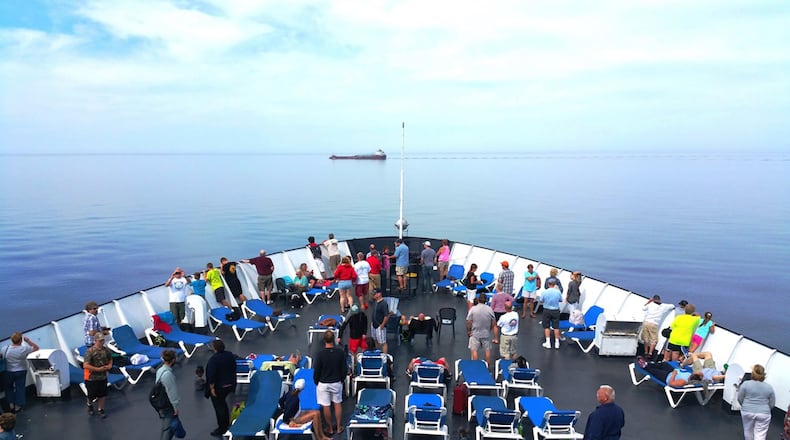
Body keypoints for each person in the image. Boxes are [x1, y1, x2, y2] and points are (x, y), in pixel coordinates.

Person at [313, 330, 347, 436]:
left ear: (324, 340)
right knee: (337, 404)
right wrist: (341, 380)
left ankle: (330, 428)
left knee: (326, 405)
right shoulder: (340, 353)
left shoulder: (320, 354)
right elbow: (344, 369)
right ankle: (339, 426)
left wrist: (316, 381)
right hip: (336, 382)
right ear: (333, 339)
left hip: (323, 383)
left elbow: (317, 370)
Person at [206, 339, 237, 437]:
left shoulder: (213, 360)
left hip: (219, 387)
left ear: (214, 348)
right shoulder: (229, 355)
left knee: (219, 407)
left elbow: (211, 375)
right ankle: (227, 424)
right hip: (230, 385)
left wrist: (211, 388)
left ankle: (222, 428)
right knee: (223, 404)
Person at [2, 332, 39, 413]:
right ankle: (18, 406)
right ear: (21, 340)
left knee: (9, 388)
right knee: (20, 388)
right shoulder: (24, 349)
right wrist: (28, 341)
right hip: (21, 371)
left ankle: (11, 404)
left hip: (9, 371)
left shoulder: (5, 348)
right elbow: (36, 347)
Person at [738, 364, 775, 440]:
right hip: (764, 413)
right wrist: (766, 409)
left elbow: (739, 398)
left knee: (748, 430)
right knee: (760, 434)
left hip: (747, 411)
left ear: (752, 374)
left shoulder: (745, 384)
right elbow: (772, 403)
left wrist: (745, 406)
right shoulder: (769, 387)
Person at [84, 332, 112, 418]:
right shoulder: (90, 351)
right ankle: (89, 404)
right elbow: (86, 365)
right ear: (95, 341)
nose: (102, 342)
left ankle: (101, 409)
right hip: (91, 377)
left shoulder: (106, 350)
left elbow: (110, 359)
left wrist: (109, 366)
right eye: (100, 341)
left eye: (103, 340)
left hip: (102, 376)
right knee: (91, 395)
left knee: (102, 394)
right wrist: (97, 369)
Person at [156, 349, 180, 440]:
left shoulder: (160, 370)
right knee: (169, 428)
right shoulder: (168, 375)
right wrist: (175, 408)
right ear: (173, 360)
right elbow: (172, 392)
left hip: (161, 404)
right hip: (168, 406)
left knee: (165, 425)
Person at [466, 293, 496, 366]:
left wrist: (469, 330)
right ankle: (487, 366)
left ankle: (476, 366)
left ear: (479, 299)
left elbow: (468, 321)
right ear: (486, 300)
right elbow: (494, 321)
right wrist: (490, 329)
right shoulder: (489, 309)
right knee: (487, 350)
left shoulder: (473, 309)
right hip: (486, 333)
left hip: (475, 333)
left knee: (474, 350)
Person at [640, 295, 673, 359]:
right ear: (659, 299)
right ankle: (650, 353)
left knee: (645, 338)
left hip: (646, 322)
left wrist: (649, 302)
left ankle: (646, 352)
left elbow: (643, 308)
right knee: (654, 339)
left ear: (653, 299)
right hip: (654, 324)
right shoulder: (664, 306)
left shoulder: (650, 305)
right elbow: (672, 306)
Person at [540, 279, 563, 350]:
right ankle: (557, 343)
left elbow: (541, 300)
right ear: (554, 284)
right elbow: (560, 300)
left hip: (547, 310)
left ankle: (548, 343)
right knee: (556, 327)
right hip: (556, 310)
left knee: (547, 327)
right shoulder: (558, 292)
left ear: (548, 284)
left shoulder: (545, 292)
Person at [370, 289, 390, 354]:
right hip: (374, 325)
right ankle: (376, 353)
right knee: (375, 340)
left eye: (375, 294)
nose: (373, 295)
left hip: (380, 325)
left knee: (383, 342)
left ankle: (384, 355)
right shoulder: (376, 302)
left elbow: (386, 315)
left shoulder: (384, 304)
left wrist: (383, 324)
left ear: (379, 294)